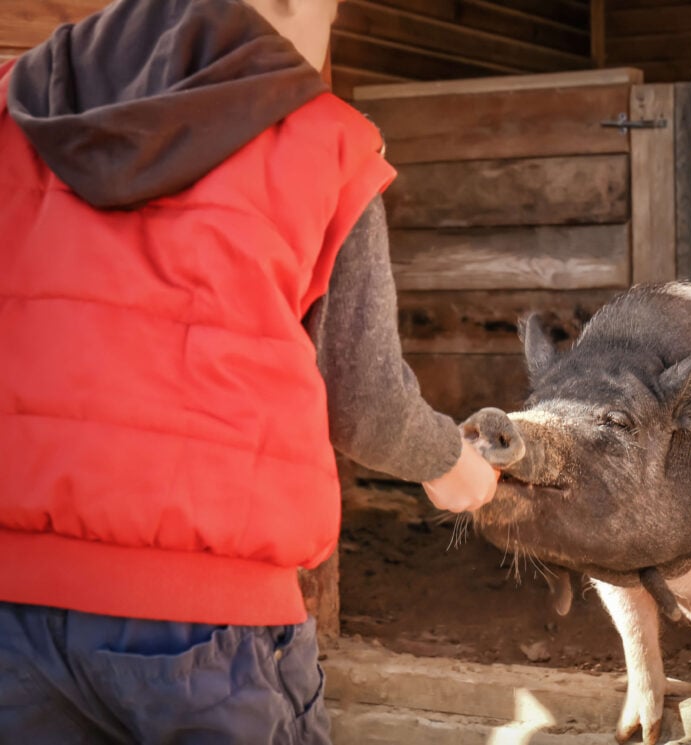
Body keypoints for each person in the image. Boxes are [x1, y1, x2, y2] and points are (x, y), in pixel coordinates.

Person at [0, 0, 498, 741]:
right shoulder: (327, 141)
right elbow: (365, 406)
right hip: (211, 629)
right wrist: (454, 465)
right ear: (293, 7)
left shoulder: (13, 115)